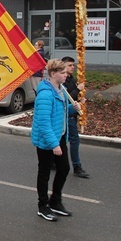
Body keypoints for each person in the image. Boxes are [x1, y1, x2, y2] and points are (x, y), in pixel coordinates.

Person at [31, 59, 81, 222]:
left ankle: (55, 202)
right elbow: (43, 122)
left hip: (58, 137)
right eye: (62, 73)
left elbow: (62, 111)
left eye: (66, 73)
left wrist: (75, 107)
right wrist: (54, 144)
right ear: (53, 74)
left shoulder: (61, 89)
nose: (66, 75)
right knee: (44, 172)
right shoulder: (45, 94)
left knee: (64, 169)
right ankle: (43, 206)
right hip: (47, 140)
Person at [62, 56, 89, 178]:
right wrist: (77, 90)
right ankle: (77, 166)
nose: (72, 67)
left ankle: (53, 162)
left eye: (73, 65)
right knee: (74, 140)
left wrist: (80, 100)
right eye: (69, 65)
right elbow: (67, 98)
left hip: (73, 114)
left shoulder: (71, 79)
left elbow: (74, 98)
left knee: (62, 140)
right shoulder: (62, 82)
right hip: (67, 115)